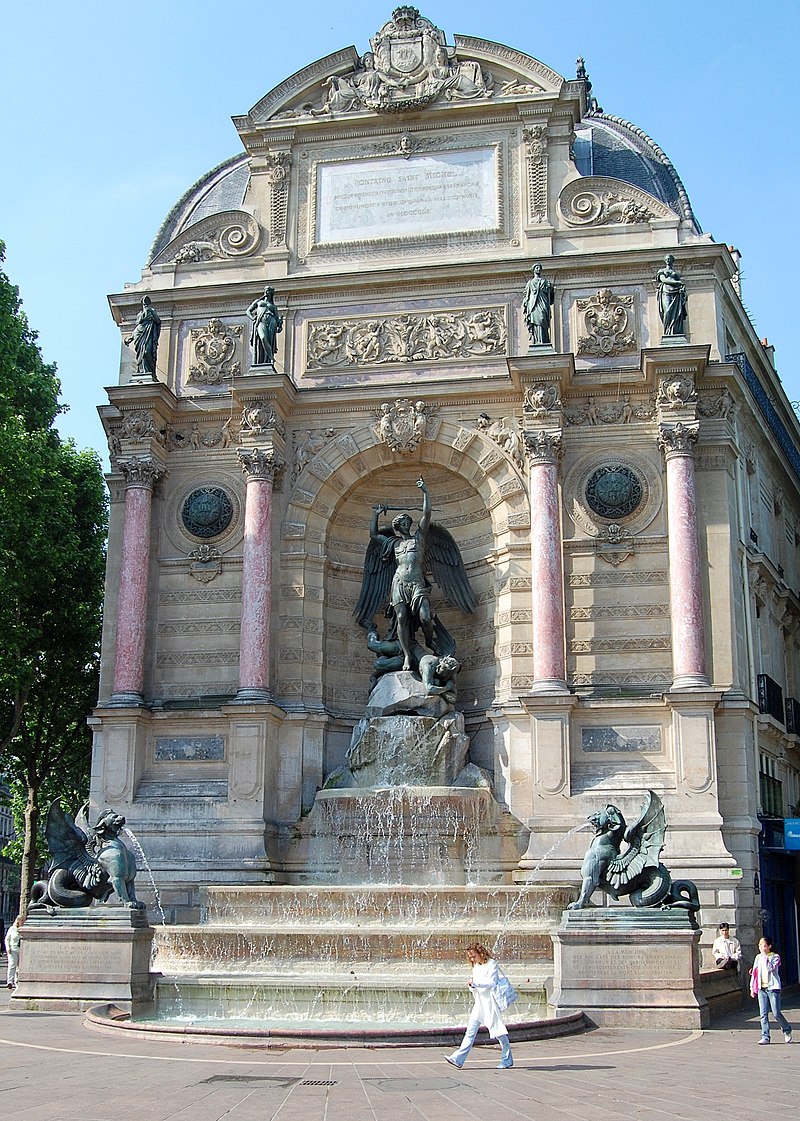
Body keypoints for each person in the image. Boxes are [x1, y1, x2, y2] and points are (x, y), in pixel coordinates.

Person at [370, 478, 433, 671]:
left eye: (407, 521)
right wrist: (376, 515)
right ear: (398, 526)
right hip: (399, 583)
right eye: (402, 522)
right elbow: (374, 535)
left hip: (415, 583)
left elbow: (427, 514)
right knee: (401, 618)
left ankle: (430, 641)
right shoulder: (394, 543)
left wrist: (425, 493)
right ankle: (406, 656)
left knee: (425, 617)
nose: (406, 524)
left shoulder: (419, 539)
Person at [445, 942, 513, 1070]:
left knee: (498, 1032)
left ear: (480, 953)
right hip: (479, 1003)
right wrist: (471, 986)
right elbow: (476, 986)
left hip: (490, 1003)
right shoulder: (476, 966)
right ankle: (458, 1058)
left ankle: (507, 1059)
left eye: (473, 956)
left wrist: (475, 983)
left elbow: (492, 982)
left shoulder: (492, 964)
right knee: (470, 1031)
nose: (472, 959)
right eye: (470, 957)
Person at [750, 935, 793, 1044]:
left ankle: (786, 1029)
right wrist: (752, 988)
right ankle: (765, 1036)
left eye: (763, 945)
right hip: (761, 988)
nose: (761, 947)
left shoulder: (775, 957)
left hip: (773, 988)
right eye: (759, 945)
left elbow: (771, 968)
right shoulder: (758, 958)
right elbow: (755, 974)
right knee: (763, 1013)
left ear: (769, 946)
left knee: (776, 1012)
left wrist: (765, 957)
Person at [124, 295, 161, 375]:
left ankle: (148, 371)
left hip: (148, 332)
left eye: (146, 302)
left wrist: (151, 312)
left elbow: (158, 322)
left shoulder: (152, 311)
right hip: (139, 332)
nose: (145, 304)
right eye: (144, 303)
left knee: (147, 351)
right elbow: (138, 325)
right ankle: (141, 371)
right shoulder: (140, 314)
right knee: (140, 353)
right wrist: (131, 337)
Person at [247, 285, 283, 367]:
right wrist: (253, 318)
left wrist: (280, 323)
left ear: (271, 293)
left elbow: (277, 319)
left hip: (271, 321)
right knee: (263, 338)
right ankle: (268, 356)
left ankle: (269, 359)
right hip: (261, 321)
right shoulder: (258, 302)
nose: (267, 292)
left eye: (268, 291)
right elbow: (248, 311)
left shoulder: (273, 306)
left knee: (270, 340)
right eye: (266, 290)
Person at [522, 263, 555, 346]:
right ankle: (537, 341)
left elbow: (550, 296)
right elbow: (526, 295)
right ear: (533, 270)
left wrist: (551, 289)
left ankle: (543, 340)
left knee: (542, 318)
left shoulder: (545, 281)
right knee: (535, 321)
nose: (538, 269)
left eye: (539, 267)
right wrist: (526, 304)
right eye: (536, 267)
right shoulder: (530, 283)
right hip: (533, 305)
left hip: (542, 302)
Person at [655, 253, 688, 336]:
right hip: (665, 292)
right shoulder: (661, 271)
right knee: (667, 310)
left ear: (672, 261)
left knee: (677, 312)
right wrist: (676, 282)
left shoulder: (675, 273)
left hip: (676, 292)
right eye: (667, 259)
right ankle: (668, 331)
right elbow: (663, 280)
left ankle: (674, 331)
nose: (668, 260)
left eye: (670, 259)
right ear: (665, 261)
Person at [5, 916, 21, 990]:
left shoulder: (23, 929)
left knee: (19, 967)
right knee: (12, 965)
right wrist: (8, 948)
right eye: (21, 921)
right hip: (13, 949)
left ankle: (17, 981)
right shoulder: (12, 928)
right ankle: (10, 981)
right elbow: (7, 939)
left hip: (21, 950)